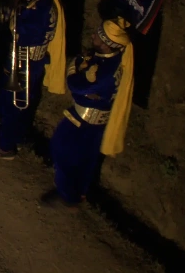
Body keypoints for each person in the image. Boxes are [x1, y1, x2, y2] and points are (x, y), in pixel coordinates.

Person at [43, 16, 137, 209]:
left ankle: (69, 195)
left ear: (107, 43)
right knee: (79, 158)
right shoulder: (106, 59)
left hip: (86, 124)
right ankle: (74, 191)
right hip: (85, 119)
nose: (93, 35)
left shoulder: (106, 73)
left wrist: (78, 68)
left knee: (67, 154)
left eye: (98, 35)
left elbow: (76, 85)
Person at [0, 0, 66, 159]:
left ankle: (6, 146)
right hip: (18, 58)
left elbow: (22, 32)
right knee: (5, 97)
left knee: (16, 104)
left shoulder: (42, 9)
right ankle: (5, 130)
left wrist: (10, 17)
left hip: (26, 63)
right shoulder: (35, 1)